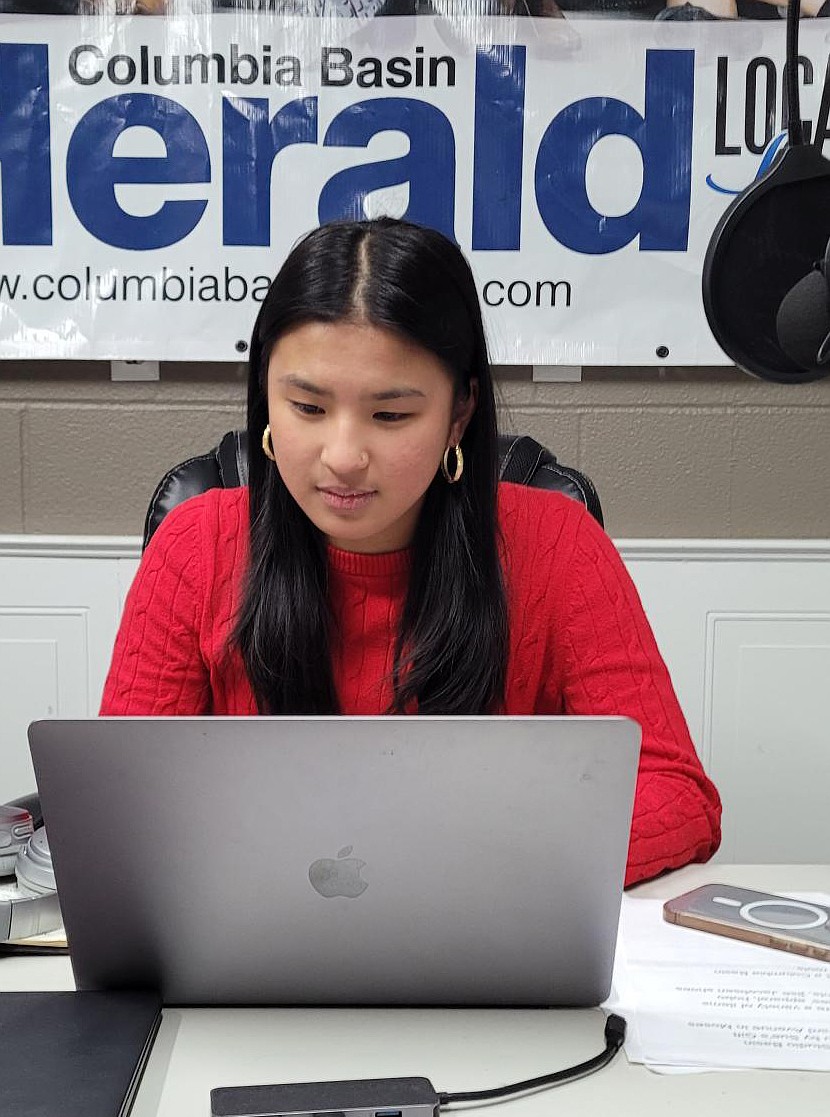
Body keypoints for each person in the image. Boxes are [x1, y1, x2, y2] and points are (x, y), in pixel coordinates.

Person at [100, 217, 721, 887]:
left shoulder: (559, 546)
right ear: (265, 399)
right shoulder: (195, 547)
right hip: (254, 945)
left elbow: (677, 794)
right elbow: (119, 806)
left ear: (459, 413)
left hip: (484, 942)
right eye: (307, 407)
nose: (343, 456)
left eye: (390, 416)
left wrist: (471, 865)